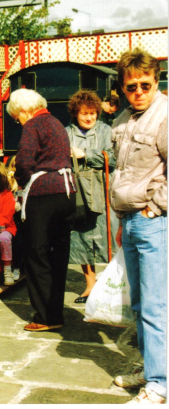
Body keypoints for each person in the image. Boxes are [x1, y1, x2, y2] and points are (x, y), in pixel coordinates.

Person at [110, 48, 167, 404]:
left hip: (154, 221)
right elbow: (120, 172)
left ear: (156, 81)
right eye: (131, 87)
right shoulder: (122, 121)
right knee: (140, 304)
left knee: (157, 305)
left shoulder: (163, 117)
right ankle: (149, 367)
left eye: (145, 85)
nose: (139, 92)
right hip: (129, 220)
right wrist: (121, 219)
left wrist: (154, 208)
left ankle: (160, 385)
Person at [8, 88, 76, 332]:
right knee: (58, 256)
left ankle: (46, 316)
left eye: (17, 117)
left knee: (36, 255)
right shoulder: (57, 122)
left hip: (43, 195)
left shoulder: (33, 125)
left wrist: (20, 181)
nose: (19, 121)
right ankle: (55, 311)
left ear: (24, 110)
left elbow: (24, 161)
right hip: (67, 192)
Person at [64, 90, 117, 304]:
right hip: (78, 191)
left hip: (102, 190)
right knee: (82, 237)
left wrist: (86, 155)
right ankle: (90, 286)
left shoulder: (106, 130)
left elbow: (112, 158)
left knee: (108, 237)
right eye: (84, 113)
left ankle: (114, 287)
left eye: (93, 113)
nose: (89, 117)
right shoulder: (66, 132)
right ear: (75, 113)